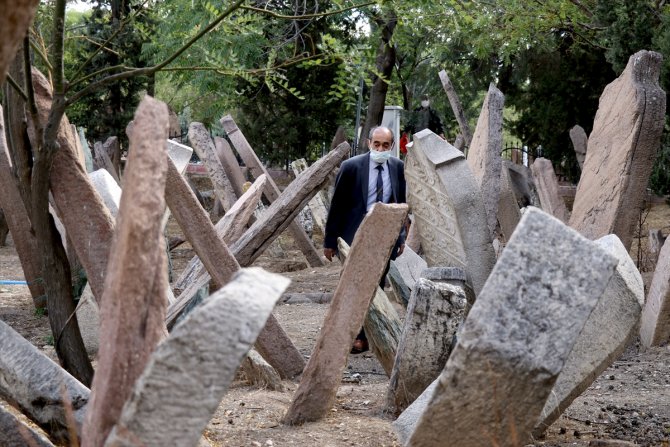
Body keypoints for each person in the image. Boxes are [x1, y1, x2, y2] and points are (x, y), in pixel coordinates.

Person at [323, 126, 406, 353]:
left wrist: (400, 237)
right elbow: (337, 205)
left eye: (385, 145)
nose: (380, 149)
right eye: (376, 144)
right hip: (355, 234)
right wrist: (330, 241)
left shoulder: (398, 168)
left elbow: (401, 203)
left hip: (384, 235)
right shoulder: (352, 167)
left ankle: (367, 334)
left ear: (391, 146)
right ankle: (348, 334)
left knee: (375, 286)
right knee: (352, 284)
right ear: (369, 143)